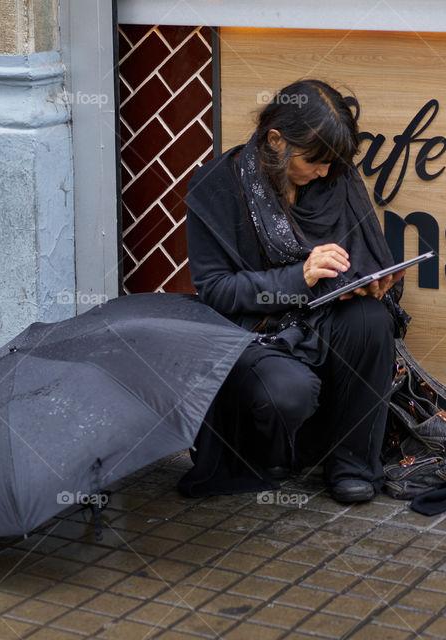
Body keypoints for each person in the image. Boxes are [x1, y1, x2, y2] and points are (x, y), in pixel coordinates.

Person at [179, 79, 409, 504]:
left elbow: (363, 257)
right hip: (254, 331)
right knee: (289, 392)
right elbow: (215, 291)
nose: (323, 172)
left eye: (331, 164)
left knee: (372, 320)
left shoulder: (335, 178)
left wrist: (371, 283)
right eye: (315, 161)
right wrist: (299, 277)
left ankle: (353, 465)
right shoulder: (217, 187)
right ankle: (273, 454)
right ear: (276, 140)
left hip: (320, 319)